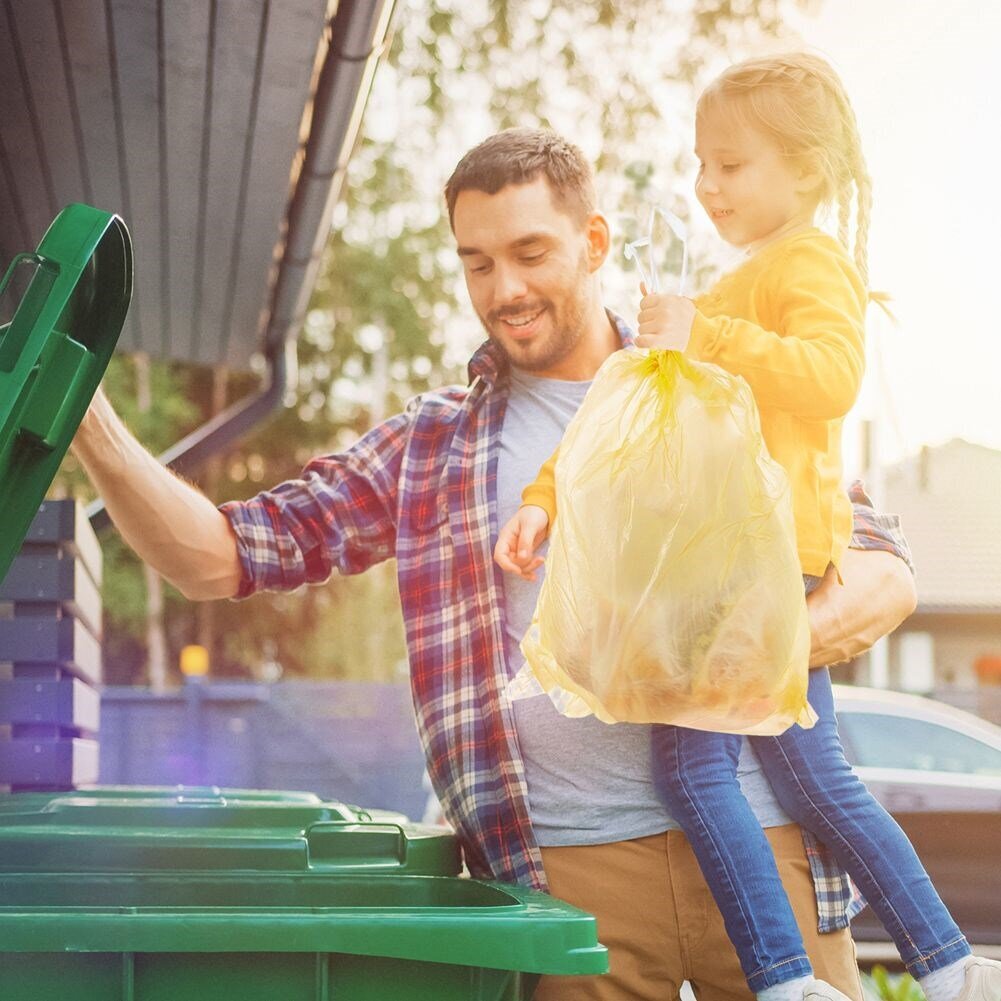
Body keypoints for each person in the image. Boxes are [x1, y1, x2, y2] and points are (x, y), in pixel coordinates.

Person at [73, 127, 923, 1001]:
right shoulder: (433, 447)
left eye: (529, 252)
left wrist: (750, 652)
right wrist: (86, 412)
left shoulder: (716, 373)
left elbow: (880, 564)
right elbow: (217, 558)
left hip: (764, 839)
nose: (504, 289)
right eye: (476, 263)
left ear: (593, 242)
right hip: (568, 873)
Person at [495, 58, 1001, 1001]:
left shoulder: (806, 263)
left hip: (756, 569)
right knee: (819, 780)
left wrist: (703, 335)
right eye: (701, 165)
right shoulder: (742, 280)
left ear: (805, 173)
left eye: (732, 164)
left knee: (690, 767)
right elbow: (621, 421)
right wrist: (545, 496)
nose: (706, 185)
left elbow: (829, 376)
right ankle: (949, 962)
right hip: (744, 567)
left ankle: (781, 976)